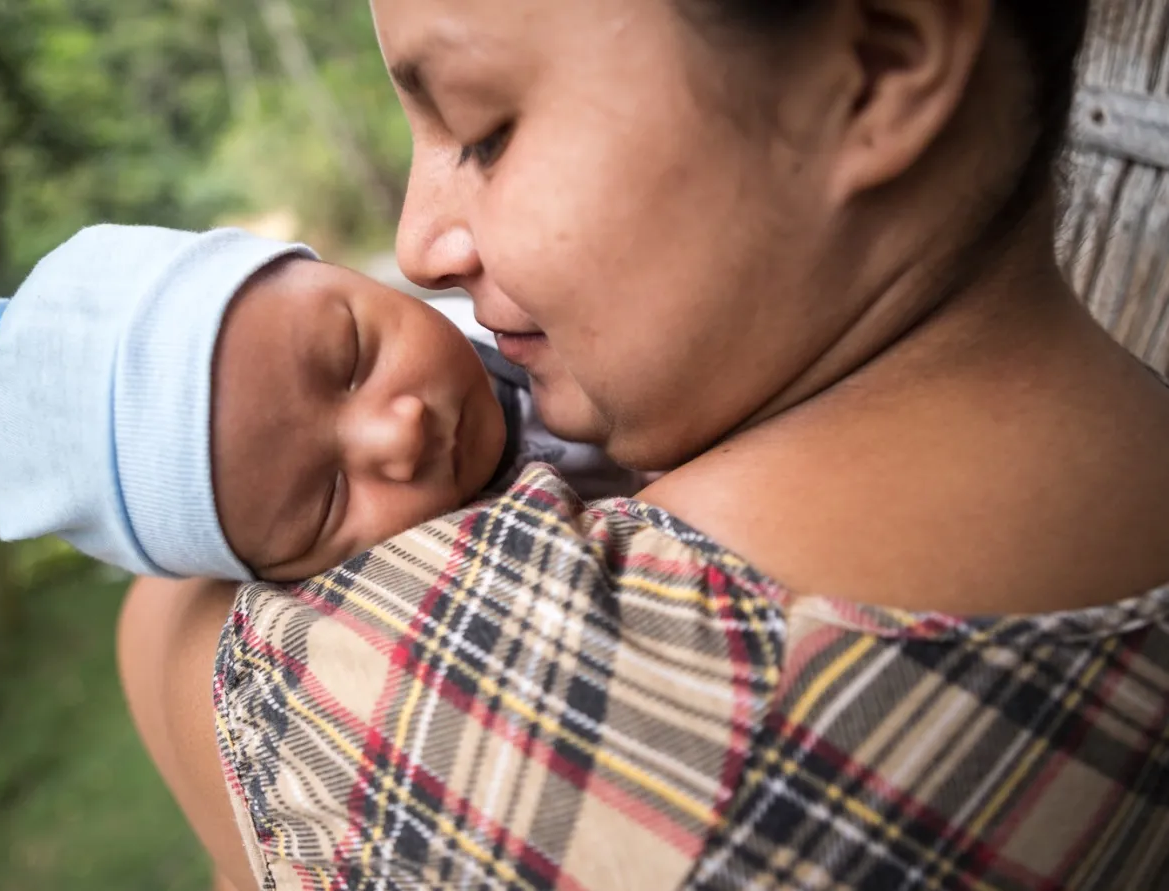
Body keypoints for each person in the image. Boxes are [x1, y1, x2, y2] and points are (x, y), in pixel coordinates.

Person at [117, 0, 1169, 889]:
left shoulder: (558, 695)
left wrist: (174, 585)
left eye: (483, 132)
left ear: (874, 71)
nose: (415, 245)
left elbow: (160, 629)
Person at [0, 224, 641, 584]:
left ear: (336, 270)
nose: (399, 435)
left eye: (351, 356)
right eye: (328, 500)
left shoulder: (510, 306)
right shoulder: (462, 580)